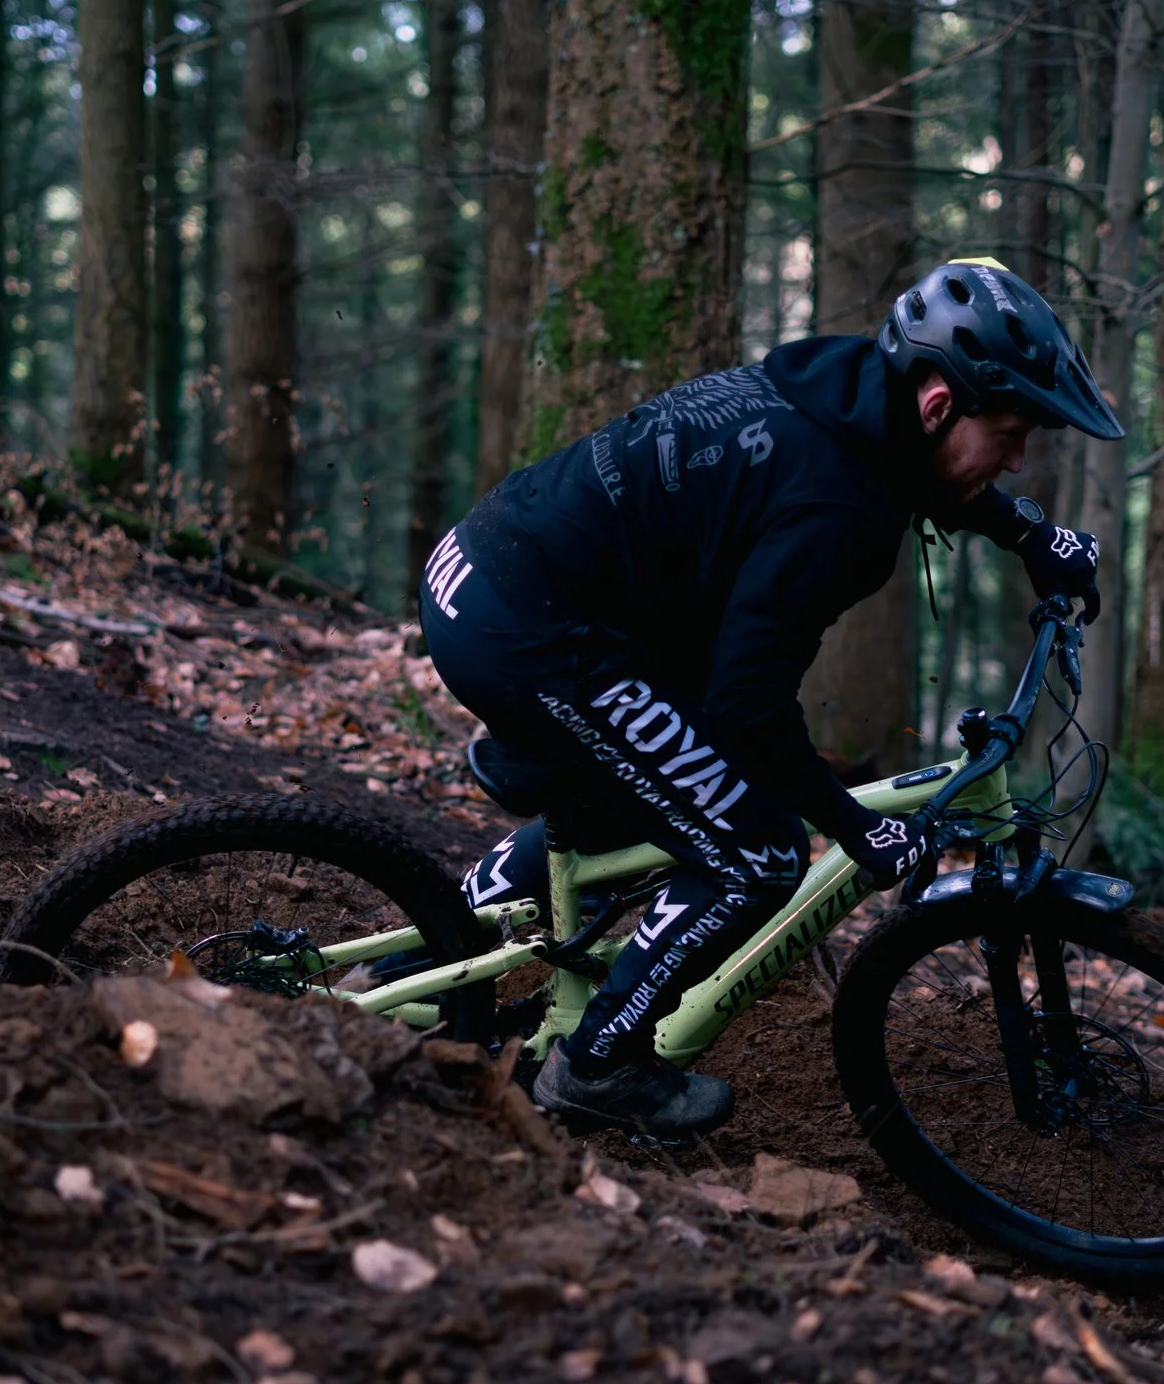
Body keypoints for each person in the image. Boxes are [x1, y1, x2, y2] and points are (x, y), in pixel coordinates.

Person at [421, 259, 1124, 1138]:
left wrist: (1028, 530)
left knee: (649, 797)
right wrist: (848, 821)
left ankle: (430, 940)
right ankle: (596, 1066)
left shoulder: (846, 381)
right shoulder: (842, 517)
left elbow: (918, 471)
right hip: (530, 627)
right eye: (1012, 432)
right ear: (941, 403)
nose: (1018, 457)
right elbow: (747, 707)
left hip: (490, 571)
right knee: (758, 849)